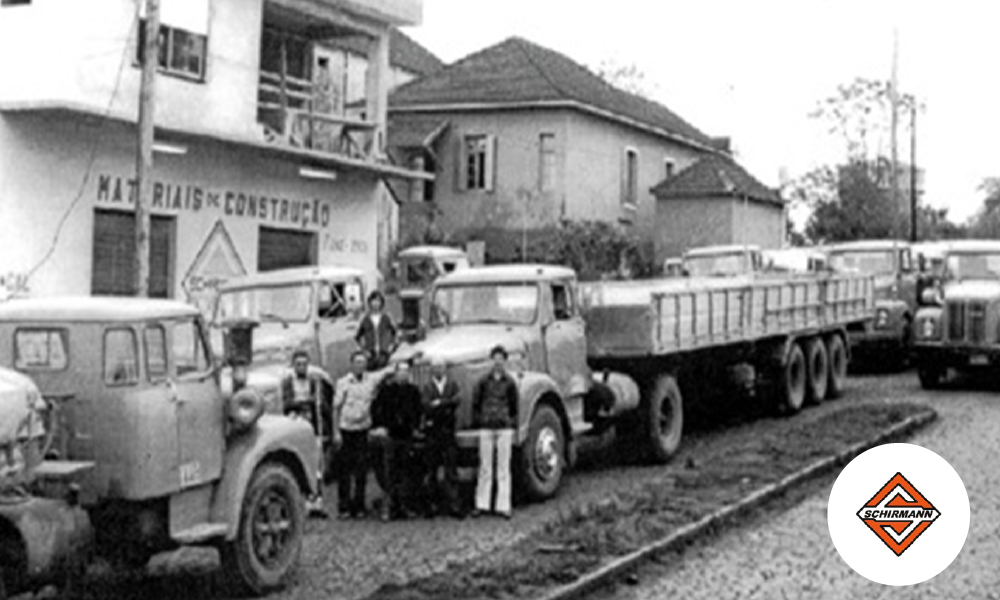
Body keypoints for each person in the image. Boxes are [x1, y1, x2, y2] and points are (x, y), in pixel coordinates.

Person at [280, 350, 334, 519]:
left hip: (313, 427)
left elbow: (323, 405)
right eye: (298, 364)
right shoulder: (288, 383)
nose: (301, 367)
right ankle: (300, 503)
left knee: (317, 464)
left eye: (304, 364)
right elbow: (287, 404)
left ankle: (317, 502)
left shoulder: (314, 383)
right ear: (293, 366)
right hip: (296, 428)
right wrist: (302, 404)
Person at [370, 360, 424, 521]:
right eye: (401, 371)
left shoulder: (413, 391)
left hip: (406, 435)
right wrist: (380, 426)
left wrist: (415, 427)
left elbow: (418, 411)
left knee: (406, 471)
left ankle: (404, 506)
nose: (404, 374)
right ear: (395, 374)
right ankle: (388, 507)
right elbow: (376, 410)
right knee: (389, 473)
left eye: (406, 372)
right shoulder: (386, 391)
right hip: (390, 435)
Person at [471, 345, 518, 519]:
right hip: (486, 426)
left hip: (504, 427)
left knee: (503, 467)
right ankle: (482, 504)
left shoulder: (510, 382)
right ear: (491, 361)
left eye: (501, 359)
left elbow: (514, 404)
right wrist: (481, 419)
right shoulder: (483, 381)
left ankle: (503, 506)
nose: (498, 362)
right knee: (485, 467)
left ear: (505, 361)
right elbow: (476, 402)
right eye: (495, 359)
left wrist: (508, 420)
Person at [332, 351, 378, 519]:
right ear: (352, 364)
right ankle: (344, 506)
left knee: (361, 470)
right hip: (346, 429)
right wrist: (336, 432)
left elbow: (385, 372)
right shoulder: (343, 383)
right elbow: (336, 408)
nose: (360, 365)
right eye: (357, 362)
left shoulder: (370, 381)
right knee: (344, 470)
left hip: (363, 429)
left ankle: (359, 505)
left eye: (363, 362)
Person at [420, 358, 463, 517]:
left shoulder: (452, 385)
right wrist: (445, 404)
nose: (438, 370)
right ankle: (431, 505)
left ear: (445, 369)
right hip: (432, 433)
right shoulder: (427, 387)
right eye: (435, 367)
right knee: (431, 470)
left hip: (448, 432)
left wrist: (438, 403)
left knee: (451, 470)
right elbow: (426, 405)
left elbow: (456, 401)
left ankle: (454, 504)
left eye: (440, 367)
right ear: (432, 370)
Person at [355, 290, 398, 371]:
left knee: (383, 369)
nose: (376, 303)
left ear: (381, 303)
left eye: (378, 300)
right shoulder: (365, 319)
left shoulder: (386, 318)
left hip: (384, 352)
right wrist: (364, 350)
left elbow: (395, 333)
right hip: (370, 354)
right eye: (374, 300)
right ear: (370, 302)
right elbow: (358, 337)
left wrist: (392, 346)